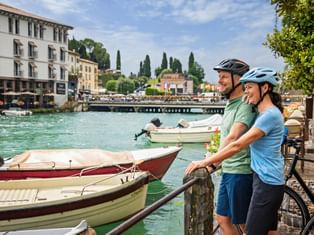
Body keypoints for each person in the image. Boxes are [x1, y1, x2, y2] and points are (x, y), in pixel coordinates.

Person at [186, 67, 285, 235]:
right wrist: (248, 102)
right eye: (244, 88)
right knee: (269, 232)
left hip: (267, 183)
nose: (246, 92)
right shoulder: (265, 113)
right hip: (267, 180)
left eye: (250, 87)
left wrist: (206, 162)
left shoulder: (269, 116)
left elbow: (237, 145)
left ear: (265, 88)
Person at [206, 58, 256, 235]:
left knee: (244, 225)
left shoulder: (245, 104)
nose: (219, 80)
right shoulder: (231, 103)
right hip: (229, 170)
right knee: (222, 219)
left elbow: (234, 136)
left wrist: (210, 163)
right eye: (219, 76)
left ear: (239, 80)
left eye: (224, 76)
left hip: (240, 171)